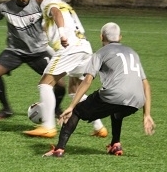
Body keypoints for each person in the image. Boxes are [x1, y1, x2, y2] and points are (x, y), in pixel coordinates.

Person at [44, 22, 155, 157]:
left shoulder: (100, 53)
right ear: (120, 37)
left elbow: (87, 81)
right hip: (137, 101)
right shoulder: (133, 53)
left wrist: (71, 106)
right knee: (117, 111)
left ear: (101, 37)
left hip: (115, 95)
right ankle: (116, 144)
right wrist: (147, 115)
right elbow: (146, 85)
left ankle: (58, 150)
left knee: (77, 111)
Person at [23, 0, 106, 138]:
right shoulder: (64, 4)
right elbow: (56, 20)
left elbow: (56, 14)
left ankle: (48, 126)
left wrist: (61, 34)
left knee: (45, 84)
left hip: (69, 49)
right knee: (75, 89)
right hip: (84, 48)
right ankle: (99, 127)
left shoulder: (47, 2)